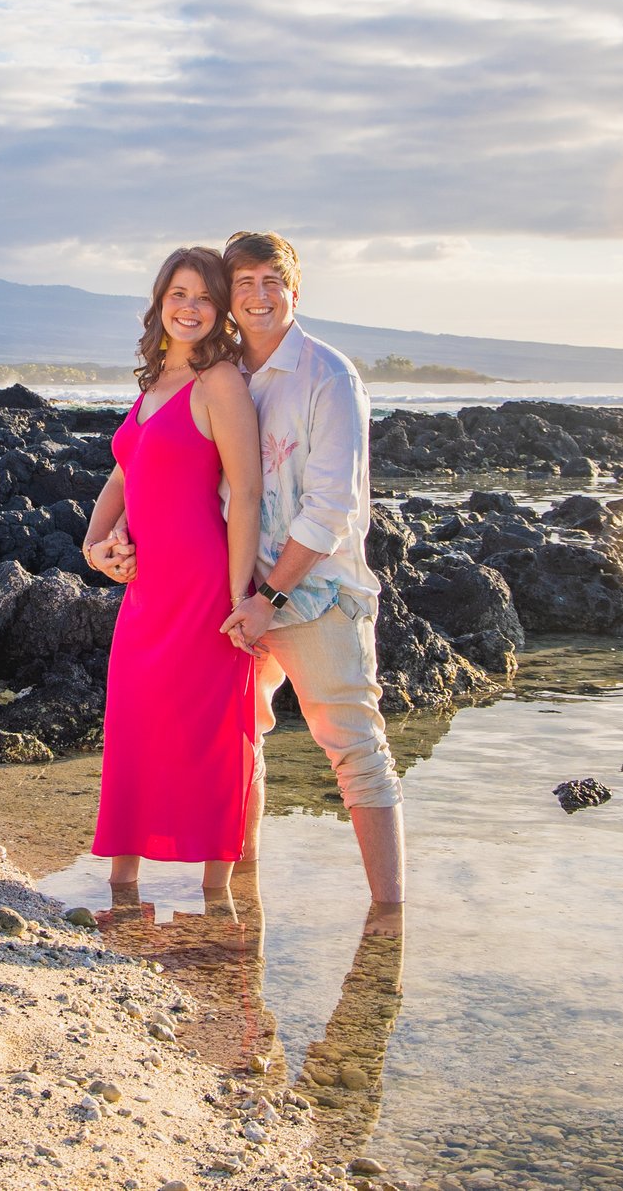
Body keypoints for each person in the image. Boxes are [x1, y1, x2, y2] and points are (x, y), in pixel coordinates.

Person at [215, 229, 407, 911]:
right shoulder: (223, 373)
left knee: (356, 750)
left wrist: (270, 594)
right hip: (238, 596)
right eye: (246, 284)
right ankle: (244, 902)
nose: (260, 296)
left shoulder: (328, 376)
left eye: (273, 281)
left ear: (295, 290)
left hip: (315, 598)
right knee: (241, 744)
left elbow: (331, 508)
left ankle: (389, 922)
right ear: (229, 298)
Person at [80, 246, 264, 893]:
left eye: (204, 297)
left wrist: (240, 594)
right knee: (133, 722)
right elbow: (124, 473)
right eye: (179, 294)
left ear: (220, 310)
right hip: (146, 591)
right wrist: (95, 544)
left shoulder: (220, 382)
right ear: (161, 300)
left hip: (201, 585)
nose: (190, 307)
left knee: (210, 729)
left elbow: (246, 492)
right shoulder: (154, 381)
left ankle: (219, 898)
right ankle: (121, 885)